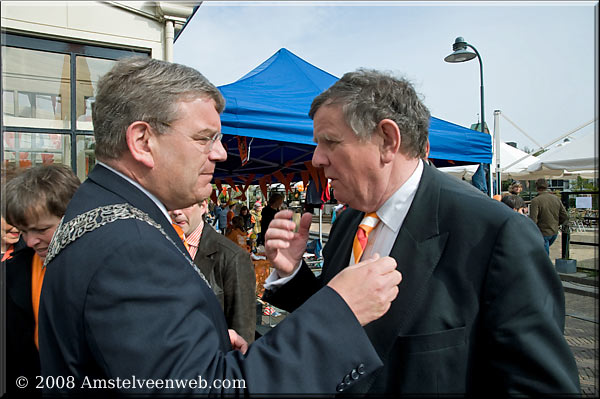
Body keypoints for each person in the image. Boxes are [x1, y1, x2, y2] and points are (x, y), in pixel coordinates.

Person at [38, 57, 402, 396]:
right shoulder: (131, 248)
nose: (221, 153)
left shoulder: (99, 209)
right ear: (142, 141)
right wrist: (339, 313)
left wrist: (207, 344)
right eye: (204, 138)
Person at [262, 69, 580, 395]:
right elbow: (337, 318)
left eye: (329, 141)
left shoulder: (494, 233)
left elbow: (540, 386)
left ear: (388, 140)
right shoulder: (348, 221)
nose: (317, 159)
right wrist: (292, 273)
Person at [4, 164, 80, 396]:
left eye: (41, 230)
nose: (30, 242)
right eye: (24, 231)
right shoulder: (12, 273)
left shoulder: (104, 270)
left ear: (75, 216)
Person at [170, 199, 256, 343]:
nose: (176, 212)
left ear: (203, 206)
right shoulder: (157, 246)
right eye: (169, 203)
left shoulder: (232, 256)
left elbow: (242, 329)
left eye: (185, 203)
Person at [530, 178, 569, 255]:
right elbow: (564, 216)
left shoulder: (535, 201)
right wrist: (557, 223)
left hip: (542, 232)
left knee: (543, 257)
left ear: (536, 187)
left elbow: (533, 220)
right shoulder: (556, 198)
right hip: (554, 231)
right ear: (547, 186)